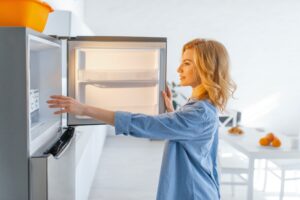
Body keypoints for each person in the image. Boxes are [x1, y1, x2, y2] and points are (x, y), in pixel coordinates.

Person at [47, 38, 236, 200]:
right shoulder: (200, 107)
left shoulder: (199, 114)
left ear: (207, 67)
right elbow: (187, 134)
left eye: (187, 63)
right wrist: (171, 111)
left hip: (193, 193)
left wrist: (84, 108)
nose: (179, 68)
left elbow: (143, 124)